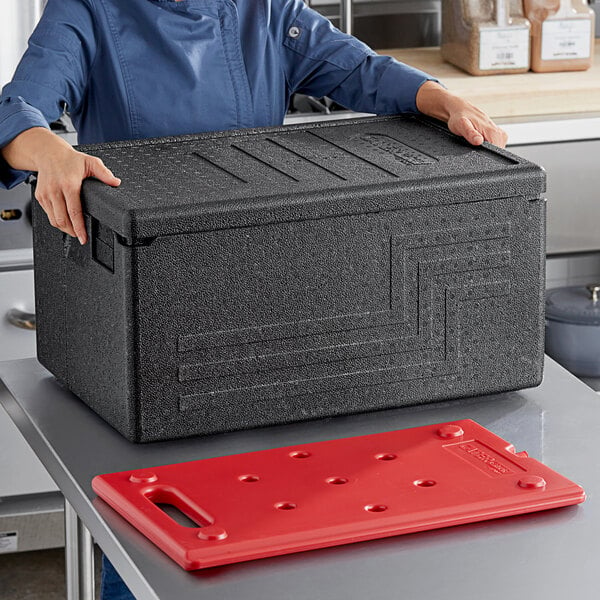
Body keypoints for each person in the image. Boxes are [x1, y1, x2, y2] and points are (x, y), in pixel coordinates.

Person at [0, 0, 507, 598]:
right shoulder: (87, 11)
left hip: (265, 297)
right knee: (150, 551)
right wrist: (52, 152)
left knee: (267, 535)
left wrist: (444, 101)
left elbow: (362, 70)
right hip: (145, 316)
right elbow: (16, 110)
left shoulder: (265, 12)